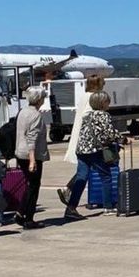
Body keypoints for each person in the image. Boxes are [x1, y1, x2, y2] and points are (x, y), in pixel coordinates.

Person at [58, 75, 105, 214]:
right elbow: (90, 116)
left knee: (83, 171)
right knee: (103, 172)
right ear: (97, 84)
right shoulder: (94, 98)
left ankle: (69, 192)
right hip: (88, 143)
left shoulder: (85, 95)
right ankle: (108, 200)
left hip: (80, 139)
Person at [76, 92, 125, 212]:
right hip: (95, 150)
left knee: (81, 177)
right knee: (106, 177)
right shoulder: (104, 115)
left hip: (82, 150)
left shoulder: (87, 115)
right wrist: (122, 139)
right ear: (103, 103)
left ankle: (71, 207)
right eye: (107, 102)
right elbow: (109, 132)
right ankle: (108, 207)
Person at [13, 86, 49, 228]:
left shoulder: (23, 112)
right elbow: (31, 137)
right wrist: (33, 160)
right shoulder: (36, 115)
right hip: (30, 154)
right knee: (34, 186)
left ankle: (22, 212)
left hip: (20, 152)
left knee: (30, 184)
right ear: (39, 99)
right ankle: (27, 216)